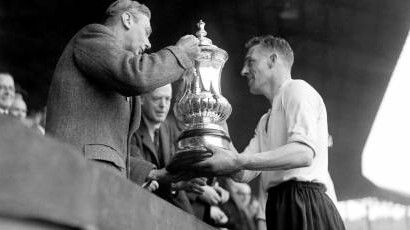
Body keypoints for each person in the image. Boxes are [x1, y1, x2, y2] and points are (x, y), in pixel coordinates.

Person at [192, 35, 345, 230]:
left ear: (273, 60)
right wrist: (221, 126)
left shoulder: (297, 90)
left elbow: (303, 154)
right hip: (280, 206)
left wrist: (239, 161)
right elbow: (243, 174)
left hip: (305, 203)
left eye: (251, 62)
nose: (243, 71)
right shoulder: (265, 120)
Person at [45, 0, 199, 182]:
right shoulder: (92, 36)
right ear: (127, 19)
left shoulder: (114, 70)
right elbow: (137, 75)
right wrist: (179, 54)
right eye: (146, 31)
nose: (148, 43)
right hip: (80, 174)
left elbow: (117, 148)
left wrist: (151, 174)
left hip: (99, 177)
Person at [130, 84, 206, 213]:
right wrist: (176, 184)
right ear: (141, 99)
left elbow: (174, 178)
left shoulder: (166, 129)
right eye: (157, 99)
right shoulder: (132, 128)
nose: (163, 105)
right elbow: (142, 176)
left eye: (167, 99)